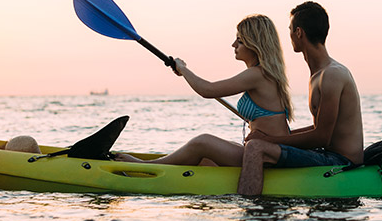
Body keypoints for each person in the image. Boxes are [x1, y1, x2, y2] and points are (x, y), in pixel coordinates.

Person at [115, 14, 293, 166]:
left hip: (267, 158)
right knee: (205, 158)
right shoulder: (266, 74)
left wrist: (183, 69)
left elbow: (207, 90)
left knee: (203, 142)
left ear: (254, 44)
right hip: (268, 152)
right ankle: (166, 165)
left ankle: (146, 166)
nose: (233, 45)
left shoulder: (257, 75)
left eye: (239, 41)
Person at [240, 1, 363, 195]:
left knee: (256, 147)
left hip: (341, 160)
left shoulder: (331, 75)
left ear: (299, 33)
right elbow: (319, 128)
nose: (288, 36)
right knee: (258, 144)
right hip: (326, 154)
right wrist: (280, 138)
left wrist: (269, 139)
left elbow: (322, 136)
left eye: (290, 30)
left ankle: (253, 217)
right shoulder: (319, 75)